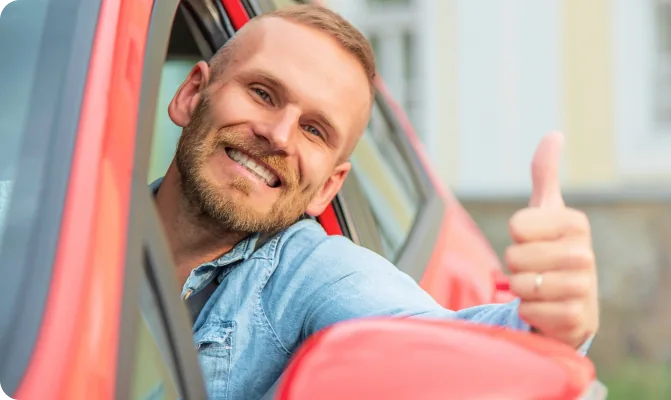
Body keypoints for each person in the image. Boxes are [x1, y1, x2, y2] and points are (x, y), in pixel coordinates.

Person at [152, 4, 600, 399]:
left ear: (328, 188)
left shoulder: (310, 274)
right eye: (263, 93)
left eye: (314, 130)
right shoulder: (82, 203)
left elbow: (443, 345)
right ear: (192, 95)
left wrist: (550, 329)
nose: (279, 135)